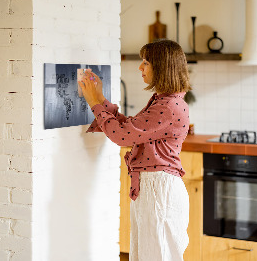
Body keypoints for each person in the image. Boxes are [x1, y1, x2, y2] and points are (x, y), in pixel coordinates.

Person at [79, 39, 191, 261]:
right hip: (154, 188)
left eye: (146, 62)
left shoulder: (168, 106)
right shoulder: (164, 101)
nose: (140, 67)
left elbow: (122, 136)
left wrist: (94, 103)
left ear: (162, 67)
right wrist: (100, 98)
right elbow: (130, 128)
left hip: (159, 190)